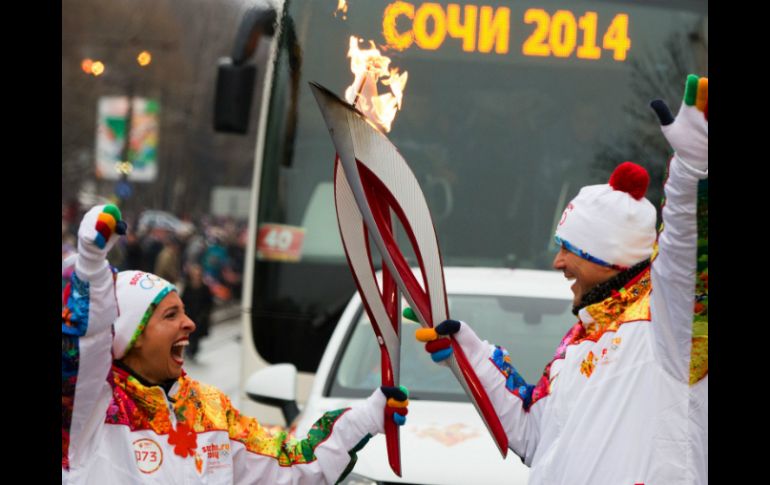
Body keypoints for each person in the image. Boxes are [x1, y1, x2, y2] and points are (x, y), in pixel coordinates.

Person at [414, 75, 707, 484]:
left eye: (570, 249)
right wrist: (470, 356)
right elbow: (535, 437)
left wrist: (692, 170)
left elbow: (685, 253)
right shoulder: (580, 341)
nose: (558, 262)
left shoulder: (668, 324)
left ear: (609, 259)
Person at [62, 204, 409, 484]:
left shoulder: (208, 409)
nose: (189, 323)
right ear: (129, 337)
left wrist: (363, 419)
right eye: (169, 316)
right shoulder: (92, 411)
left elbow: (288, 465)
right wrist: (91, 268)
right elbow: (86, 344)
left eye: (184, 312)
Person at [181, 263, 214, 361]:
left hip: (200, 315)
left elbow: (209, 302)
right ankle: (188, 349)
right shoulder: (187, 286)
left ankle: (194, 349)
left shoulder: (205, 287)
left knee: (197, 333)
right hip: (189, 314)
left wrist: (205, 313)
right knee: (189, 333)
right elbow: (183, 299)